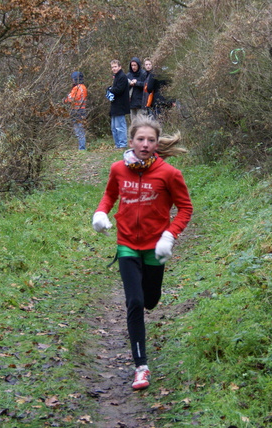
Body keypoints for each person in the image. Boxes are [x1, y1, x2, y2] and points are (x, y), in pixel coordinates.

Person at [92, 115, 193, 390]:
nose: (145, 144)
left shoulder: (169, 174)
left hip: (155, 247)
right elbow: (110, 195)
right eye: (140, 139)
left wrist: (169, 236)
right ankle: (141, 367)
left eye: (151, 140)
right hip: (126, 244)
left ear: (157, 143)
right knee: (135, 302)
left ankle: (151, 296)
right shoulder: (117, 169)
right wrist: (101, 212)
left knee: (150, 300)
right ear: (131, 140)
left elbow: (185, 208)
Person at [107, 60, 130, 149]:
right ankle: (117, 144)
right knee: (114, 127)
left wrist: (110, 89)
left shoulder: (122, 77)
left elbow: (119, 90)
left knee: (120, 126)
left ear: (119, 67)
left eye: (115, 66)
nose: (114, 68)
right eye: (112, 67)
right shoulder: (116, 77)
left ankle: (123, 144)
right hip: (115, 105)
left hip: (121, 105)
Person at [64, 71, 87, 150]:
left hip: (77, 111)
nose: (72, 80)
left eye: (73, 79)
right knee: (81, 129)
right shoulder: (83, 87)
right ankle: (82, 147)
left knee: (79, 130)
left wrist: (65, 99)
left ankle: (82, 148)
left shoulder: (76, 88)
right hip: (82, 110)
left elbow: (70, 99)